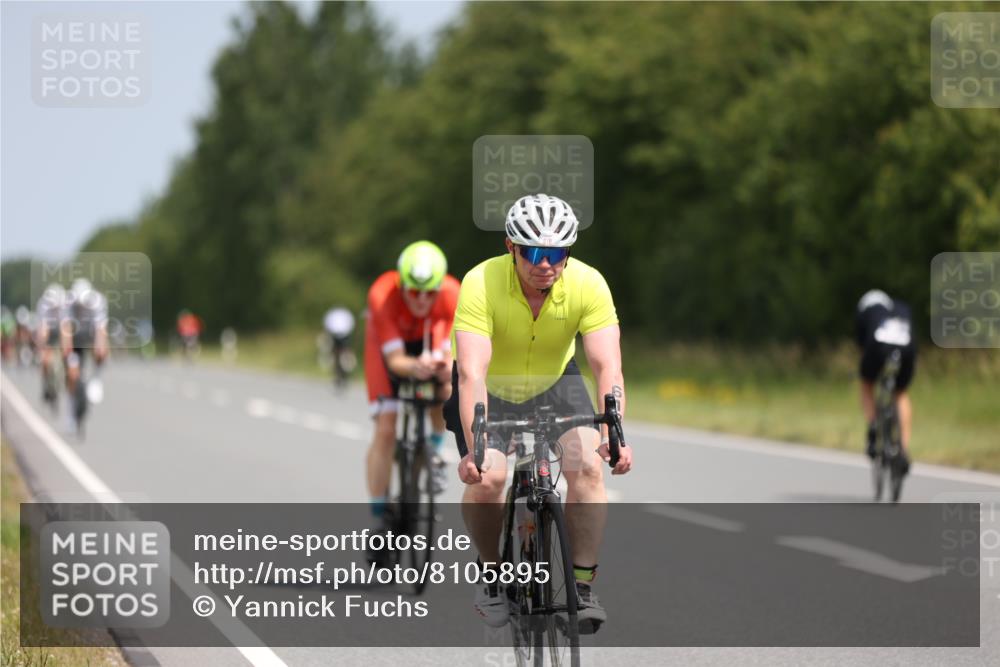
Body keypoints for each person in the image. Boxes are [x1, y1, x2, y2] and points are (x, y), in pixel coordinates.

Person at [444, 193, 633, 633]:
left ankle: (582, 586)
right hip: (490, 389)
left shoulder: (589, 284)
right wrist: (475, 449)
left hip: (554, 383)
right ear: (511, 247)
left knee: (588, 466)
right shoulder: (480, 282)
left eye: (556, 253)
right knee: (488, 477)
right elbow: (471, 371)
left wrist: (615, 433)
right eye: (532, 253)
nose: (545, 264)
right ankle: (492, 573)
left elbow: (608, 367)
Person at [363, 241, 459, 528]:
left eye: (430, 293)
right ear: (402, 285)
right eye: (415, 292)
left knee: (447, 388)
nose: (422, 301)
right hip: (388, 349)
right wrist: (416, 367)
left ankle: (434, 451)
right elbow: (394, 361)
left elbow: (451, 353)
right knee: (386, 428)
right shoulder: (383, 294)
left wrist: (444, 368)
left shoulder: (453, 293)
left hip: (429, 338)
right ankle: (380, 515)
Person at [856, 289, 916, 474]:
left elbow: (863, 345)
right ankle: (903, 450)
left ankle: (874, 426)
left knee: (867, 385)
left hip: (877, 345)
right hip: (907, 348)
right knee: (900, 393)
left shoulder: (867, 311)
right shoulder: (902, 307)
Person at [61, 278, 109, 399]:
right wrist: (69, 354)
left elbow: (100, 329)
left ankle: (96, 378)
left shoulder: (98, 301)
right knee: (72, 370)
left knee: (102, 350)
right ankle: (71, 395)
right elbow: (66, 329)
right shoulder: (68, 302)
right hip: (75, 335)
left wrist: (99, 349)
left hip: (91, 333)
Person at [35, 284, 67, 403]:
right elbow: (43, 330)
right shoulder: (43, 305)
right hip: (47, 331)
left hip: (60, 330)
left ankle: (63, 379)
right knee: (44, 360)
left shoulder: (65, 306)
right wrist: (42, 348)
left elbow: (65, 329)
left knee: (66, 354)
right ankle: (45, 384)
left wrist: (65, 349)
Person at [323, 307, 356, 387]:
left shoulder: (341, 316)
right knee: (335, 353)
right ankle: (337, 372)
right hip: (337, 336)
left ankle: (346, 367)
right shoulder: (338, 315)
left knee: (345, 352)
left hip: (344, 336)